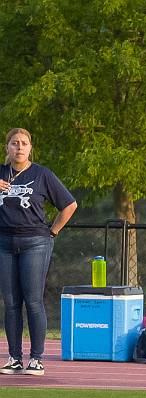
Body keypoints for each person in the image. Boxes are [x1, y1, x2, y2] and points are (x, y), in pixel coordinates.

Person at [0, 128, 77, 376]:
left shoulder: (42, 174)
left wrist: (52, 233)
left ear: (30, 147)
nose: (19, 147)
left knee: (33, 301)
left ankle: (36, 359)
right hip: (4, 243)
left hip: (35, 242)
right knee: (11, 303)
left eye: (24, 143)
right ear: (7, 148)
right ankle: (14, 358)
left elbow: (69, 205)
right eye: (14, 143)